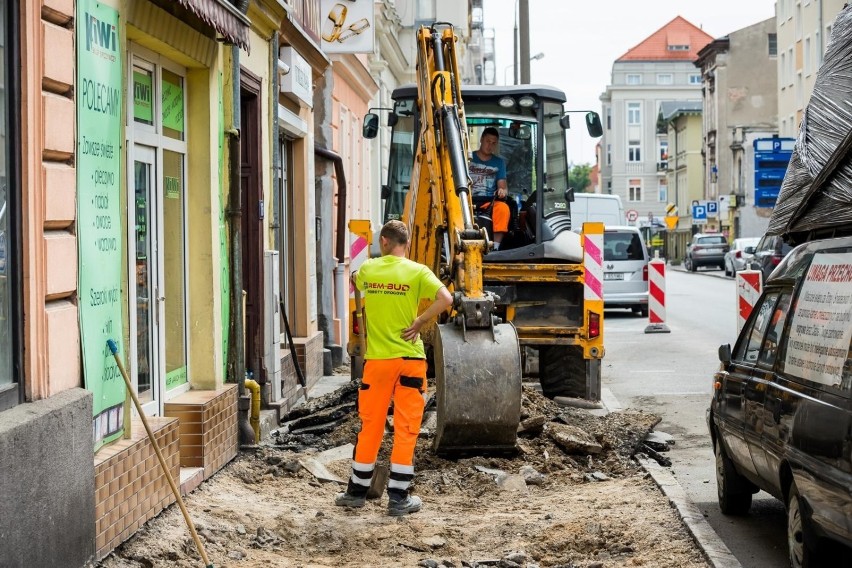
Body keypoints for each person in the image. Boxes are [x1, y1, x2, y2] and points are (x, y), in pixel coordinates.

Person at [335, 220, 453, 516]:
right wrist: (419, 322)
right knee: (407, 429)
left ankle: (356, 492)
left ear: (384, 242)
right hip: (411, 362)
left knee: (371, 425)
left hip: (378, 363)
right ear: (406, 244)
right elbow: (446, 299)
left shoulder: (370, 270)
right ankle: (398, 498)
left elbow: (354, 279)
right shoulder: (418, 272)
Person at [469, 127, 510, 248]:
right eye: (488, 141)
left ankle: (495, 247)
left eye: (493, 143)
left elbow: (502, 186)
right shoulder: (468, 158)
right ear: (481, 139)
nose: (490, 146)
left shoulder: (499, 162)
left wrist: (502, 191)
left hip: (489, 201)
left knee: (503, 209)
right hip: (468, 199)